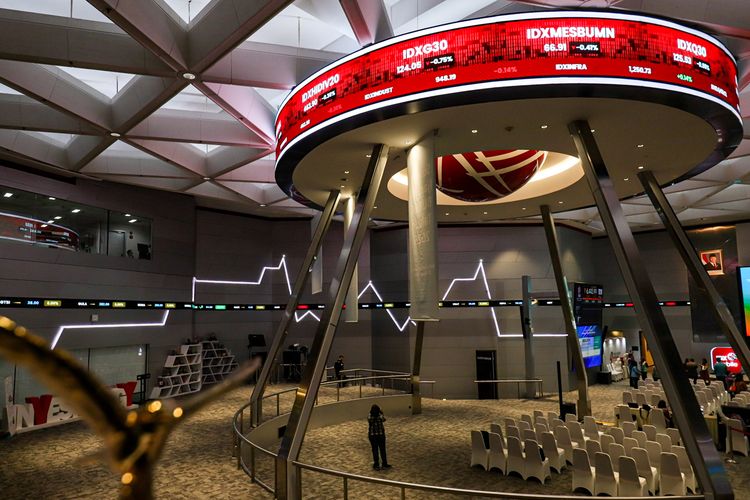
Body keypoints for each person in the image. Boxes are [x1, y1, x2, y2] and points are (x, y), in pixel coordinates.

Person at [367, 404, 390, 470]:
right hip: (380, 435)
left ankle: (376, 464)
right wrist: (381, 412)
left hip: (372, 436)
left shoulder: (370, 417)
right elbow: (384, 419)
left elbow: (369, 418)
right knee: (382, 449)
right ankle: (384, 463)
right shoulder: (380, 417)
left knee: (375, 450)